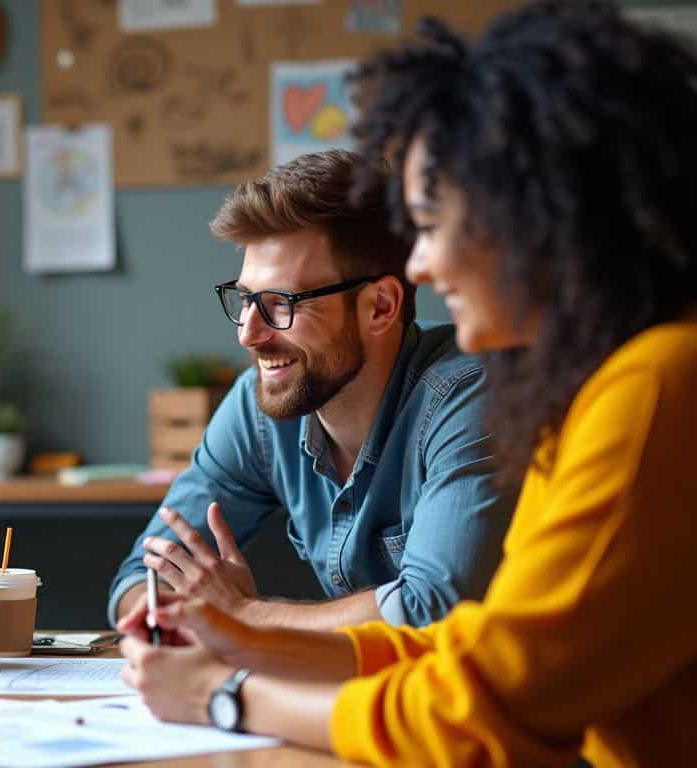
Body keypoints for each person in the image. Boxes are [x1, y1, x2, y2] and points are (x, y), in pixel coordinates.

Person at [120, 3, 697, 765]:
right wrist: (251, 643)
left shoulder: (656, 389)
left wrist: (225, 696)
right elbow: (475, 647)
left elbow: (481, 709)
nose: (419, 264)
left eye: (431, 224)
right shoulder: (599, 390)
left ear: (531, 216)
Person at [109, 149, 512, 631]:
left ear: (380, 306)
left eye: (281, 303)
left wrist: (245, 617)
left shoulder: (467, 399)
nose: (249, 333)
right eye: (245, 300)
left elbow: (436, 610)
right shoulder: (260, 407)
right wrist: (166, 609)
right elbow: (139, 581)